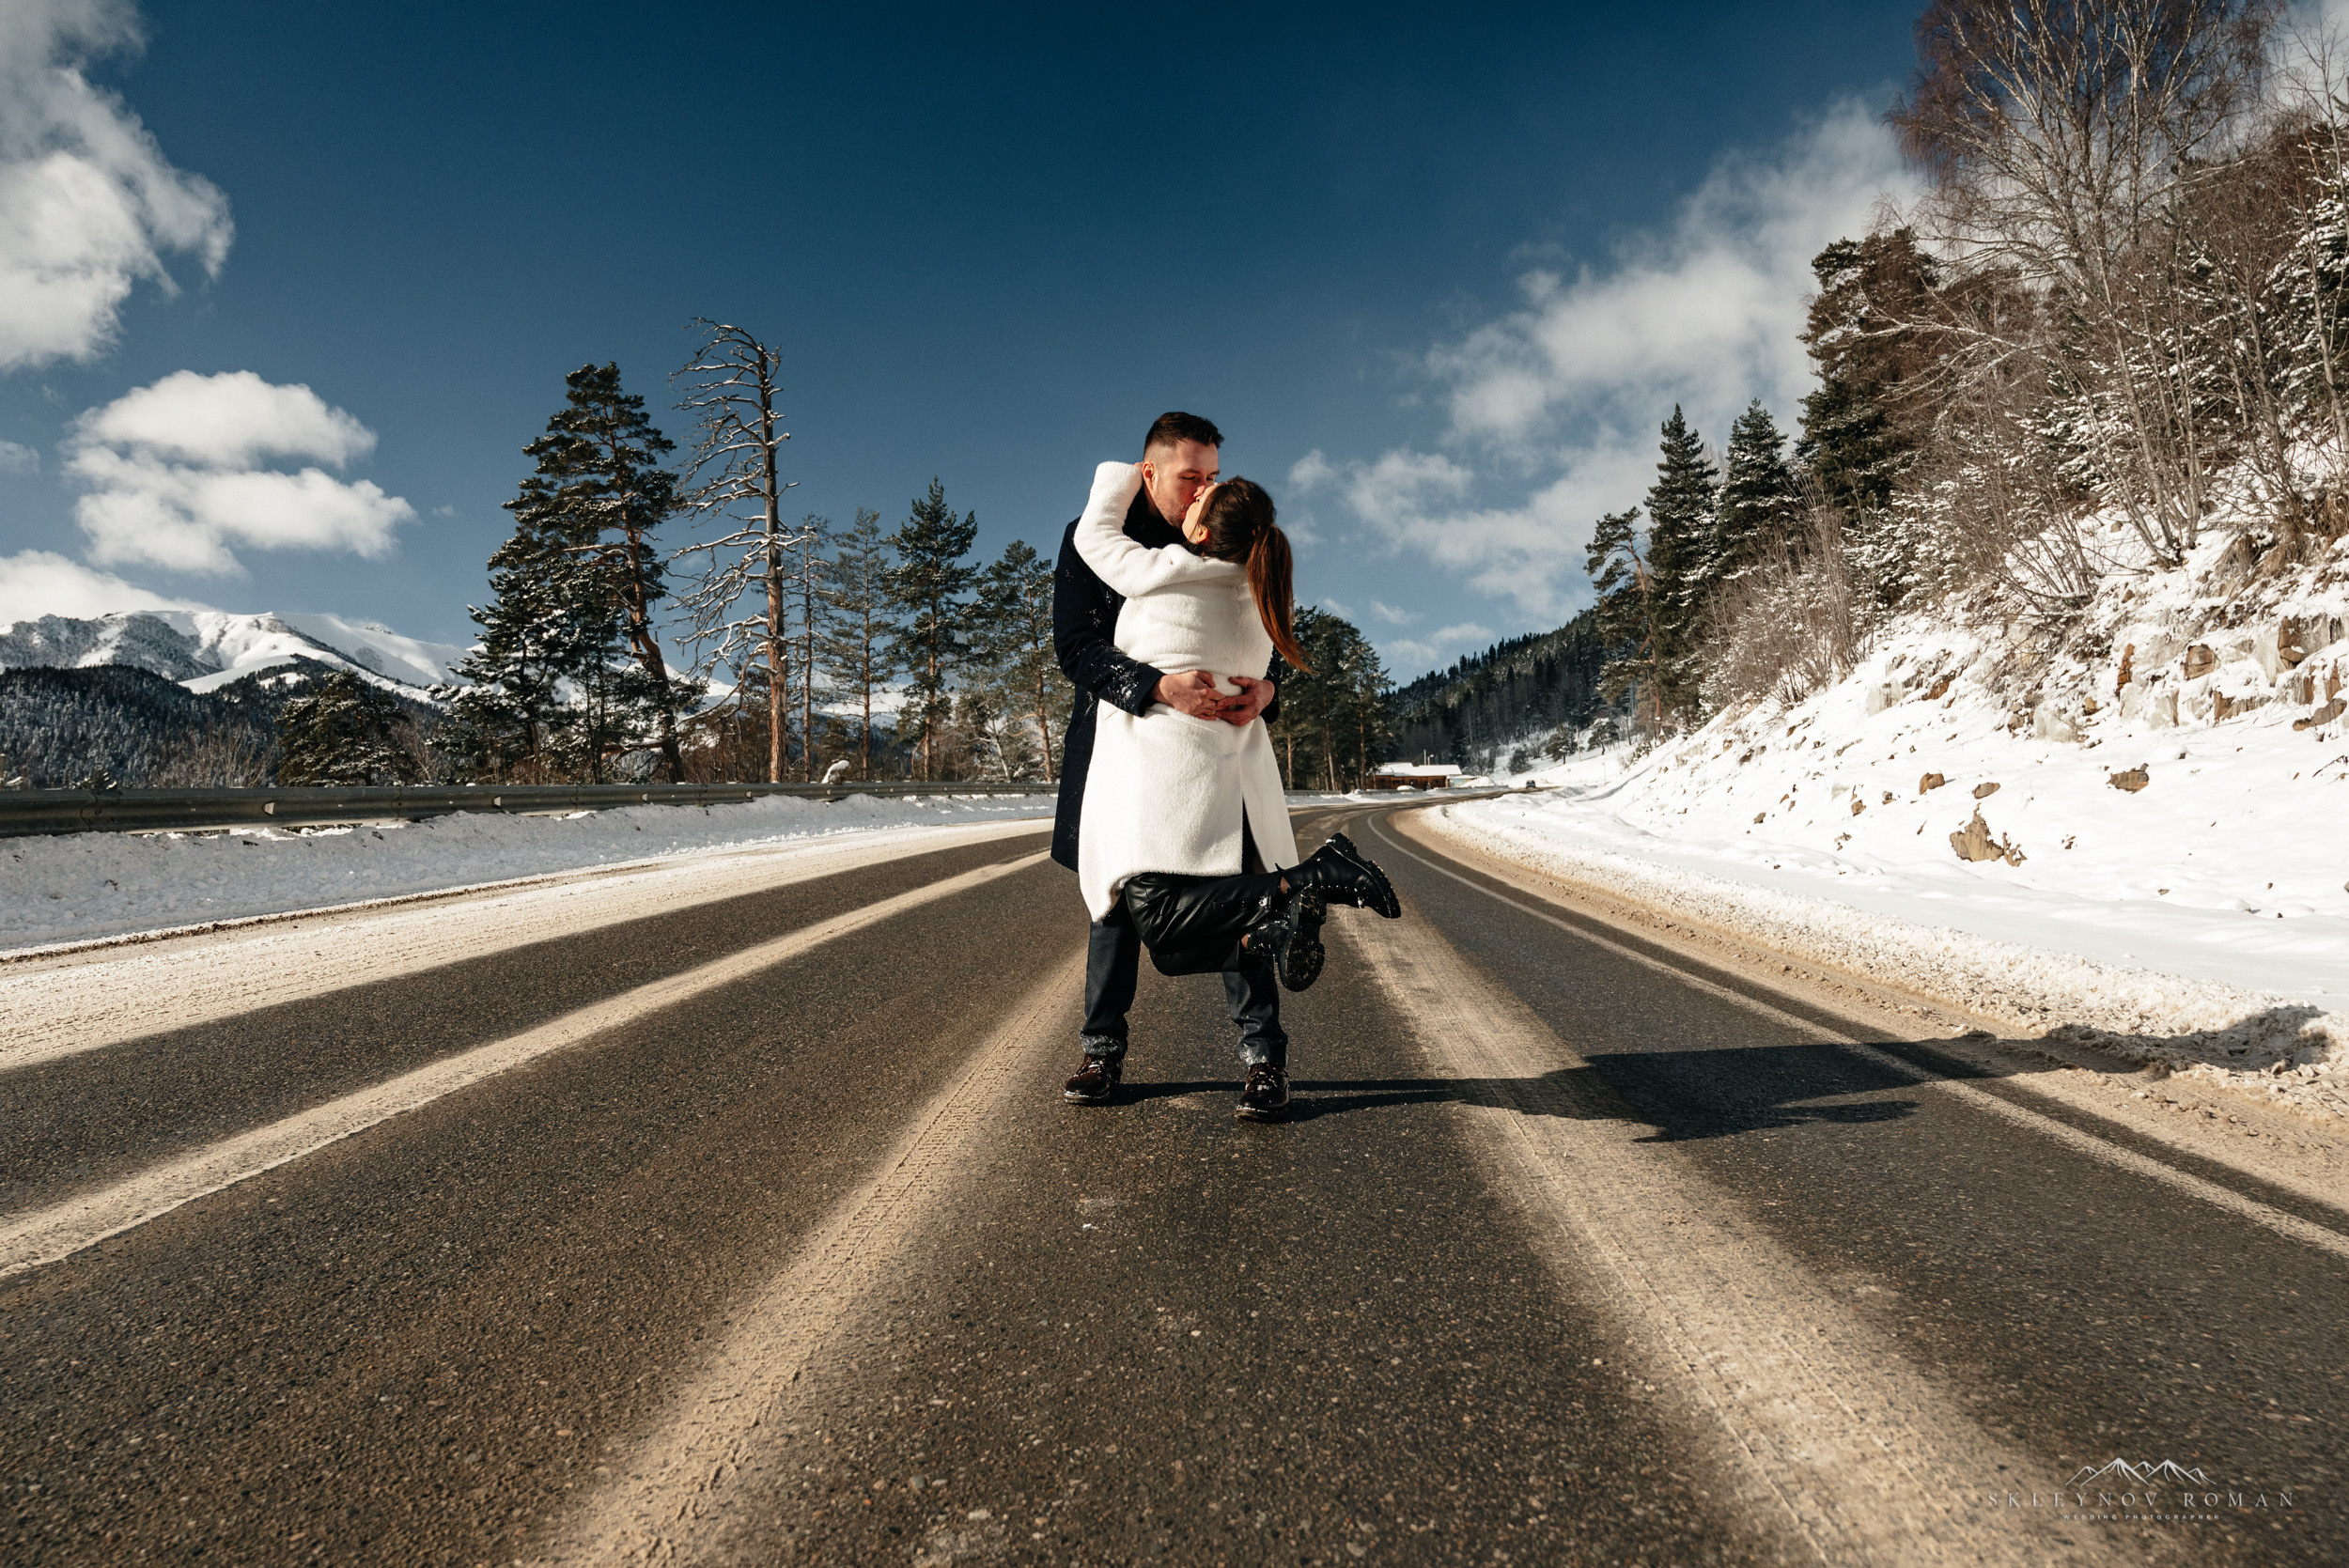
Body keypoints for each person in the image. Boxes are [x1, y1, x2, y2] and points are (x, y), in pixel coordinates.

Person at [1050, 413, 1398, 1121]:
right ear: (1149, 474)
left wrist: (1268, 691)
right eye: (1192, 477)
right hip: (1127, 745)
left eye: (1212, 476)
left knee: (1242, 881)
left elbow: (1270, 637)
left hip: (1224, 755)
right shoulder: (1109, 541)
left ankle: (1264, 1057)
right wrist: (1156, 685)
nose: (1205, 488)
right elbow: (1074, 646)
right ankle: (1102, 1049)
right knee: (1115, 898)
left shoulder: (1235, 544)